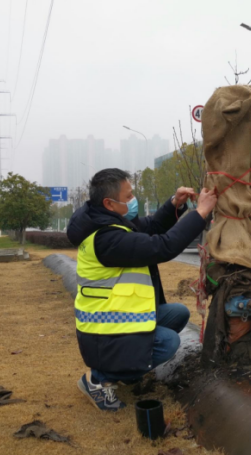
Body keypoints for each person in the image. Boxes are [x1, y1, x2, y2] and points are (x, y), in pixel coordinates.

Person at [66, 168, 217, 412]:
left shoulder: (108, 219)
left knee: (178, 313)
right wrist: (199, 213)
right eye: (128, 196)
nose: (133, 200)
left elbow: (150, 226)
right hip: (104, 332)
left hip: (116, 319)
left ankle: (126, 368)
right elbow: (162, 246)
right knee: (168, 343)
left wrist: (174, 203)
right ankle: (98, 379)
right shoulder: (106, 239)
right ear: (109, 203)